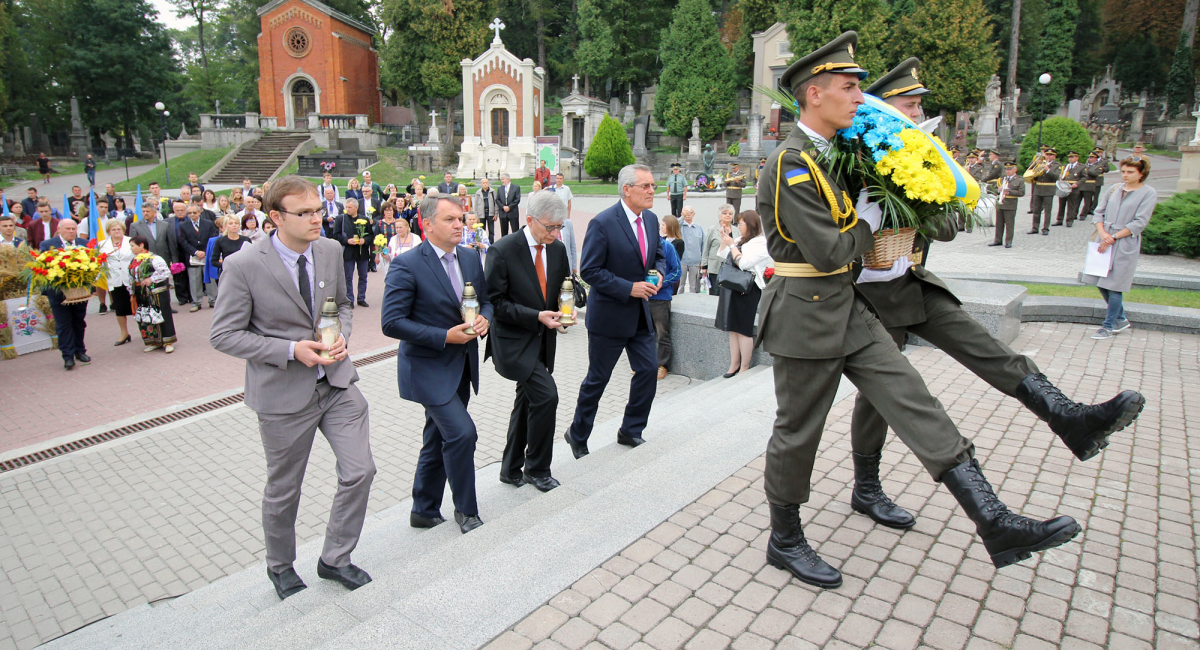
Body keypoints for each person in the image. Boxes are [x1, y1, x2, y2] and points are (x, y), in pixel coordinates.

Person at [757, 32, 1082, 589]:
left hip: (848, 309)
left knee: (916, 402)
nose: (861, 98)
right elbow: (832, 251)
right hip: (804, 311)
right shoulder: (790, 165)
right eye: (848, 88)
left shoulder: (837, 155)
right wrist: (875, 219)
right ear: (813, 95)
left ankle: (995, 522)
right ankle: (784, 538)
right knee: (799, 432)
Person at [210, 175, 374, 601]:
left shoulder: (331, 249)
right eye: (305, 213)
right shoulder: (244, 265)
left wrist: (341, 337)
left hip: (337, 384)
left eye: (319, 210)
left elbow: (344, 304)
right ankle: (280, 565)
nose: (317, 218)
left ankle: (335, 557)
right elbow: (224, 335)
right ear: (275, 217)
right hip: (283, 395)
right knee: (285, 488)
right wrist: (289, 349)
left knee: (361, 471)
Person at [381, 195, 492, 534]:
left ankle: (423, 508)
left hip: (462, 367)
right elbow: (391, 322)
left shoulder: (472, 257)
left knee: (436, 437)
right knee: (462, 433)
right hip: (428, 369)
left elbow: (485, 301)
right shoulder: (408, 264)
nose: (460, 224)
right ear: (427, 225)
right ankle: (466, 510)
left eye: (461, 219)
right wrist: (444, 336)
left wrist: (486, 319)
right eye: (451, 220)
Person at [565, 164, 666, 458]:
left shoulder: (650, 219)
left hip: (639, 316)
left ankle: (630, 430)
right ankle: (578, 433)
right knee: (598, 379)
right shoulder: (603, 222)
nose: (651, 191)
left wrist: (658, 273)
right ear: (627, 189)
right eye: (645, 186)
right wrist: (629, 288)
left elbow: (657, 255)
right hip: (609, 317)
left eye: (652, 186)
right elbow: (590, 270)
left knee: (648, 370)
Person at [484, 191, 571, 490]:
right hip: (512, 343)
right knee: (547, 396)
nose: (556, 233)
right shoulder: (502, 250)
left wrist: (567, 306)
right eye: (550, 227)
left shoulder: (557, 249)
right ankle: (537, 468)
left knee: (528, 401)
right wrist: (536, 315)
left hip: (543, 341)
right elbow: (494, 303)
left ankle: (510, 469)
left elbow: (560, 289)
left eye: (560, 226)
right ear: (530, 220)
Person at [1083, 156, 1156, 340]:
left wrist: (1113, 237)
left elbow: (1139, 222)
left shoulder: (1148, 193)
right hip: (1104, 239)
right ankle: (1121, 318)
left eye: (1130, 172)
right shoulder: (1114, 189)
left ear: (1141, 174)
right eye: (1123, 171)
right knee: (1100, 283)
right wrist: (1104, 234)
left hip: (1124, 242)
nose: (1125, 175)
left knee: (1115, 286)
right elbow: (1098, 212)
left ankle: (1108, 326)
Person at [713, 210, 770, 379]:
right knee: (732, 327)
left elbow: (744, 263)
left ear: (751, 225)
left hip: (748, 288)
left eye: (741, 224)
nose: (738, 227)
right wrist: (726, 240)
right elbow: (722, 255)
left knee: (743, 328)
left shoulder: (760, 243)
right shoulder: (740, 239)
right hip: (732, 286)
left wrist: (731, 245)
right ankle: (734, 364)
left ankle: (745, 366)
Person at [39, 219, 90, 370]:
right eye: (67, 228)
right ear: (59, 229)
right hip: (58, 293)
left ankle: (80, 351)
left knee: (79, 322)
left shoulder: (83, 243)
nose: (71, 231)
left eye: (73, 228)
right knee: (64, 324)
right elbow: (44, 268)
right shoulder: (48, 245)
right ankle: (68, 356)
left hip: (79, 292)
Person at [128, 235, 178, 353]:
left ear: (141, 245)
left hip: (157, 293)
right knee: (145, 317)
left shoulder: (154, 258)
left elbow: (165, 272)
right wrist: (132, 293)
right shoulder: (134, 261)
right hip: (141, 294)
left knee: (162, 315)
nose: (131, 249)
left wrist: (151, 279)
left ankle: (167, 341)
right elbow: (130, 278)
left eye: (133, 246)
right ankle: (153, 341)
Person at [650, 220, 682, 380]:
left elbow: (677, 271)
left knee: (662, 333)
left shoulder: (667, 247)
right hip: (642, 297)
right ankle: (646, 364)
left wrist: (661, 283)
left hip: (660, 298)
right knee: (643, 333)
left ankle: (662, 365)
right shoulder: (642, 247)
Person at [99, 219, 135, 346]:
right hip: (115, 280)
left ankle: (146, 331)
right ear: (109, 231)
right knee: (119, 308)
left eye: (118, 229)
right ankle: (124, 333)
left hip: (131, 279)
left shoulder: (130, 241)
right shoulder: (102, 244)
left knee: (138, 306)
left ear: (123, 230)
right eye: (113, 229)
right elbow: (100, 264)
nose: (116, 231)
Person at [179, 203, 219, 312]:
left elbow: (213, 237)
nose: (192, 215)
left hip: (207, 255)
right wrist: (195, 252)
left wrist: (205, 252)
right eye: (190, 213)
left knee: (210, 279)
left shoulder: (209, 224)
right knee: (194, 280)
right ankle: (196, 302)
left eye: (194, 212)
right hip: (193, 257)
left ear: (200, 212)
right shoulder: (183, 226)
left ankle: (213, 300)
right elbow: (183, 241)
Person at [333, 198, 372, 307]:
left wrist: (364, 241)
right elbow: (335, 235)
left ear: (356, 207)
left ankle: (361, 298)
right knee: (348, 277)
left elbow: (370, 235)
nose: (347, 209)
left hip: (362, 252)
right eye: (346, 207)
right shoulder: (341, 219)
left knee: (363, 276)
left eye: (350, 207)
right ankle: (349, 299)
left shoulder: (364, 219)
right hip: (348, 252)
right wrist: (346, 240)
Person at [700, 204, 739, 291]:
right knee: (716, 293)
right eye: (725, 213)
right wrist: (704, 266)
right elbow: (706, 248)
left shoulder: (736, 230)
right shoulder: (713, 229)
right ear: (720, 216)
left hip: (732, 268)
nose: (728, 215)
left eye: (730, 213)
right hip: (716, 268)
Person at [988, 161, 1025, 248]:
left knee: (1009, 224)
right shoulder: (1002, 179)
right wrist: (998, 190)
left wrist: (1009, 191)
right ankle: (997, 240)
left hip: (1011, 204)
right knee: (999, 223)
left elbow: (1021, 192)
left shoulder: (1019, 180)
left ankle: (1008, 241)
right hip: (1000, 204)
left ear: (1015, 170)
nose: (1008, 171)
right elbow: (994, 190)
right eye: (1006, 169)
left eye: (1010, 169)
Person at [1027, 147, 1061, 235]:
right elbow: (1032, 173)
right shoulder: (1040, 163)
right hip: (1038, 189)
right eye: (1047, 154)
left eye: (1050, 155)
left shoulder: (1057, 165)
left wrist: (1048, 170)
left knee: (1047, 210)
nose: (1048, 156)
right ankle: (1035, 227)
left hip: (1048, 190)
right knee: (1036, 209)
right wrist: (1035, 165)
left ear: (1054, 156)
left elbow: (1056, 177)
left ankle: (1045, 228)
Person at [131, 200, 174, 266]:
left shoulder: (165, 225)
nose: (145, 213)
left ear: (154, 212)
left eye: (148, 211)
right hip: (145, 261)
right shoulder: (135, 226)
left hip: (164, 259)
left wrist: (174, 261)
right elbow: (134, 245)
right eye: (143, 211)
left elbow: (171, 244)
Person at [165, 200, 192, 306]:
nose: (180, 212)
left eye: (182, 210)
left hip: (188, 250)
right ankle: (182, 297)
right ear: (174, 211)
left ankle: (191, 295)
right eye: (177, 210)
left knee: (190, 274)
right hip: (175, 250)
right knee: (178, 275)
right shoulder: (167, 222)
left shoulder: (190, 220)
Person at [677, 206, 704, 292]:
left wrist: (702, 261)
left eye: (690, 213)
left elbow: (703, 244)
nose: (688, 215)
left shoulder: (698, 227)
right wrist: (682, 217)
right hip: (682, 261)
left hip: (695, 261)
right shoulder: (679, 226)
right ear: (682, 214)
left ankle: (693, 302)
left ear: (694, 214)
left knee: (693, 286)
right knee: (680, 285)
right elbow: (674, 224)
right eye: (686, 213)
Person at [1055, 151, 1084, 227]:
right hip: (1064, 187)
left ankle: (1070, 220)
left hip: (1073, 188)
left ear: (1077, 157)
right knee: (1061, 204)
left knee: (1071, 205)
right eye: (1069, 157)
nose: (1070, 159)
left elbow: (1084, 177)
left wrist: (1077, 184)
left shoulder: (1081, 167)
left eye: (1072, 157)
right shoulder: (1065, 166)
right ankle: (1059, 220)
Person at [1080, 148, 1105, 218]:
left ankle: (1092, 209)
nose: (1089, 158)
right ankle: (1086, 210)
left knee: (1095, 197)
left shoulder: (1100, 164)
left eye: (1091, 157)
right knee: (1084, 199)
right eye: (1089, 157)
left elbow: (1098, 172)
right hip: (1084, 184)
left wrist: (1087, 170)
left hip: (1096, 182)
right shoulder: (1085, 165)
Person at [474, 177, 498, 243]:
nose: (485, 184)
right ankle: (482, 243)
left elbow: (496, 203)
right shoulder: (478, 193)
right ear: (481, 184)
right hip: (481, 214)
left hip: (490, 214)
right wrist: (476, 216)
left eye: (486, 183)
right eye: (483, 183)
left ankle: (491, 243)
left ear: (488, 183)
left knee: (491, 230)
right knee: (481, 230)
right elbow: (475, 205)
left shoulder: (492, 192)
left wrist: (496, 214)